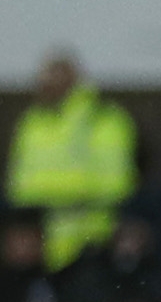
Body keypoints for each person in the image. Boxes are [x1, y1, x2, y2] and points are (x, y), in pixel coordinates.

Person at [8, 49, 136, 268]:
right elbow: (19, 188)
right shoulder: (33, 123)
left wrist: (62, 201)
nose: (51, 86)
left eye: (58, 78)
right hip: (40, 239)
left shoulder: (107, 121)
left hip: (96, 237)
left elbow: (119, 185)